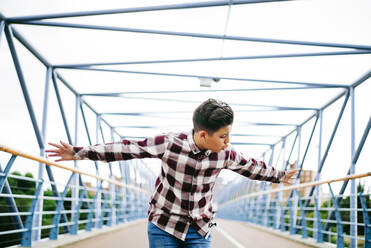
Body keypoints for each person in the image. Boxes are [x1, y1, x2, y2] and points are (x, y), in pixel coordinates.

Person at [46, 98, 299, 248]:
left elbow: (252, 167)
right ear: (203, 134)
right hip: (163, 224)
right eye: (223, 136)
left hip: (200, 226)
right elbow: (127, 149)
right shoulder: (170, 143)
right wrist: (79, 153)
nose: (228, 141)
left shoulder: (226, 154)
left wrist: (280, 175)